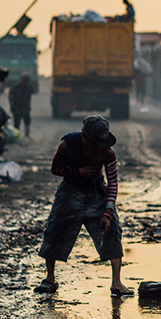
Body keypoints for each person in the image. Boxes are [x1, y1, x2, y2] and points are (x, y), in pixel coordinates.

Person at [35, 115, 133, 296]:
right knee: (56, 230)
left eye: (101, 143)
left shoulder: (108, 153)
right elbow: (55, 169)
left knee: (112, 231)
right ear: (84, 136)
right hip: (70, 191)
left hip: (96, 192)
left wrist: (108, 212)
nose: (98, 147)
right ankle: (50, 278)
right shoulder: (67, 146)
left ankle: (117, 282)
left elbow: (112, 183)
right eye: (94, 143)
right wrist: (78, 172)